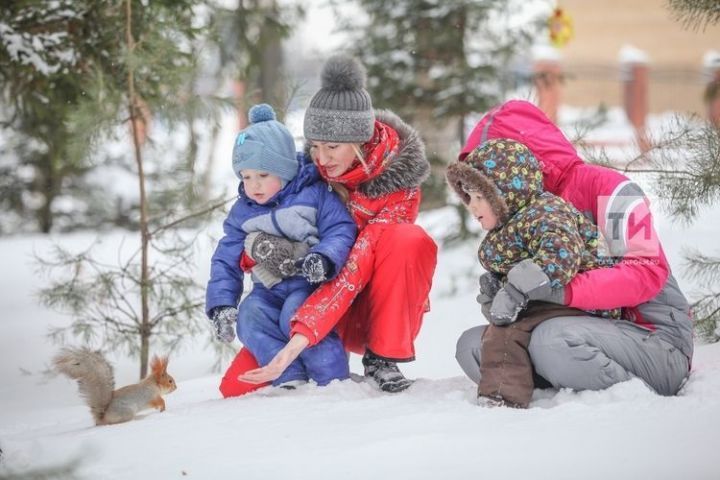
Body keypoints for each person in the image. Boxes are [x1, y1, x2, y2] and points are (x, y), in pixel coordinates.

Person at [455, 100, 693, 400]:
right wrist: (505, 299)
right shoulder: (521, 215)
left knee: (551, 341)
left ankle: (631, 397)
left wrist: (558, 291)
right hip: (574, 331)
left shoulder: (606, 188)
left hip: (652, 339)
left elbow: (646, 272)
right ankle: (555, 388)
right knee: (474, 347)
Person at [237, 54, 438, 393]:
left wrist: (300, 338)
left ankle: (381, 357)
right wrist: (256, 252)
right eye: (314, 146)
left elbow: (355, 266)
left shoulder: (397, 187)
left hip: (358, 307)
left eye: (332, 147)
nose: (322, 158)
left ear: (361, 141)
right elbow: (256, 219)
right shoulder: (308, 176)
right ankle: (302, 362)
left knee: (407, 240)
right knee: (237, 388)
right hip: (301, 300)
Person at [446, 138, 622, 408]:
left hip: (582, 303)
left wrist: (515, 290)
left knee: (508, 332)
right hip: (546, 302)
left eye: (481, 197)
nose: (472, 206)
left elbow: (561, 256)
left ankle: (501, 400)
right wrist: (497, 292)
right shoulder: (511, 224)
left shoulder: (545, 212)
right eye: (468, 197)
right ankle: (534, 380)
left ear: (507, 194)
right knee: (498, 329)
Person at [206, 103, 357, 389]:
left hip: (309, 284)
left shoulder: (313, 195)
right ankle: (288, 377)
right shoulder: (244, 211)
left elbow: (340, 229)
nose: (254, 186)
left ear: (285, 170)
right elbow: (225, 259)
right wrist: (221, 304)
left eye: (263, 175)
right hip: (268, 288)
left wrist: (323, 257)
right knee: (250, 317)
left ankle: (332, 379)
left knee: (296, 315)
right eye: (246, 177)